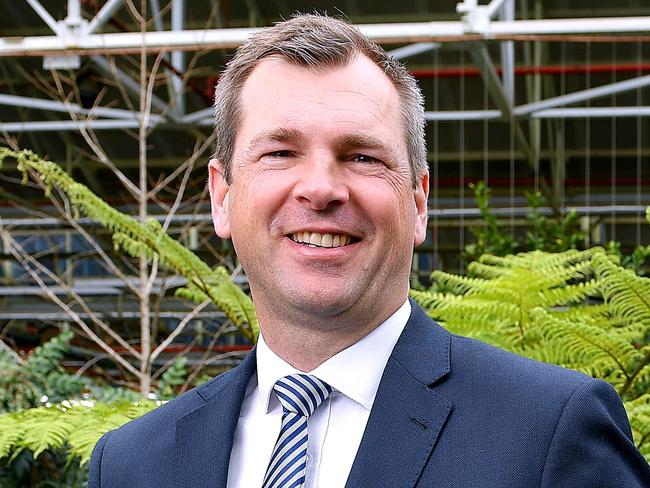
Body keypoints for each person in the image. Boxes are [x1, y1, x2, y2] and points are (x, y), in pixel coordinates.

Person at [88, 14, 650, 488]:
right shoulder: (133, 464)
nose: (322, 188)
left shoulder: (552, 432)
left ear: (419, 202)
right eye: (281, 152)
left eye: (362, 157)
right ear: (222, 196)